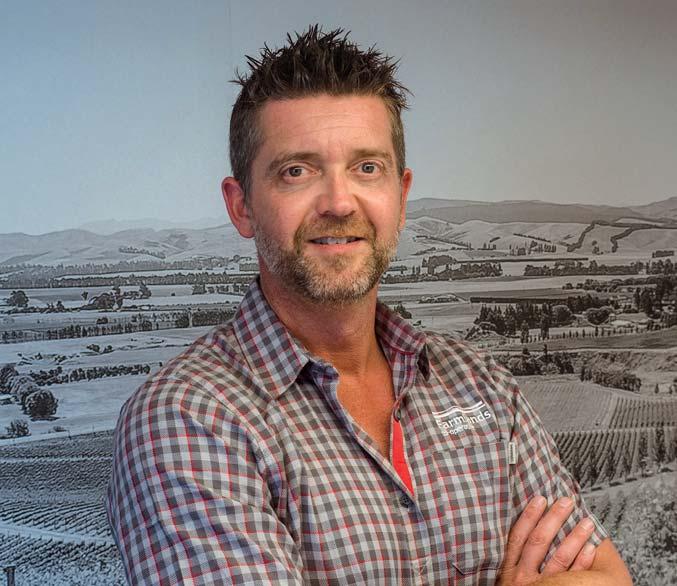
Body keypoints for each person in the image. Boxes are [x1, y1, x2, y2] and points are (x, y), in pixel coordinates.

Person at [106, 25, 632, 585]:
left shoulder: (481, 386)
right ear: (242, 207)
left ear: (400, 198)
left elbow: (605, 577)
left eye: (367, 168)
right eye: (296, 171)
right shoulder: (187, 419)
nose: (339, 202)